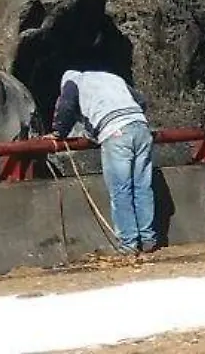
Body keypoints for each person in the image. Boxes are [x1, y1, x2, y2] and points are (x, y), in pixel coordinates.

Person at [49, 69, 158, 255]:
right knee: (142, 186)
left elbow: (66, 107)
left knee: (121, 190)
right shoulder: (111, 78)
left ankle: (129, 244)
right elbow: (140, 100)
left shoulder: (72, 83)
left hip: (116, 133)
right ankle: (149, 239)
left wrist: (58, 133)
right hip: (141, 127)